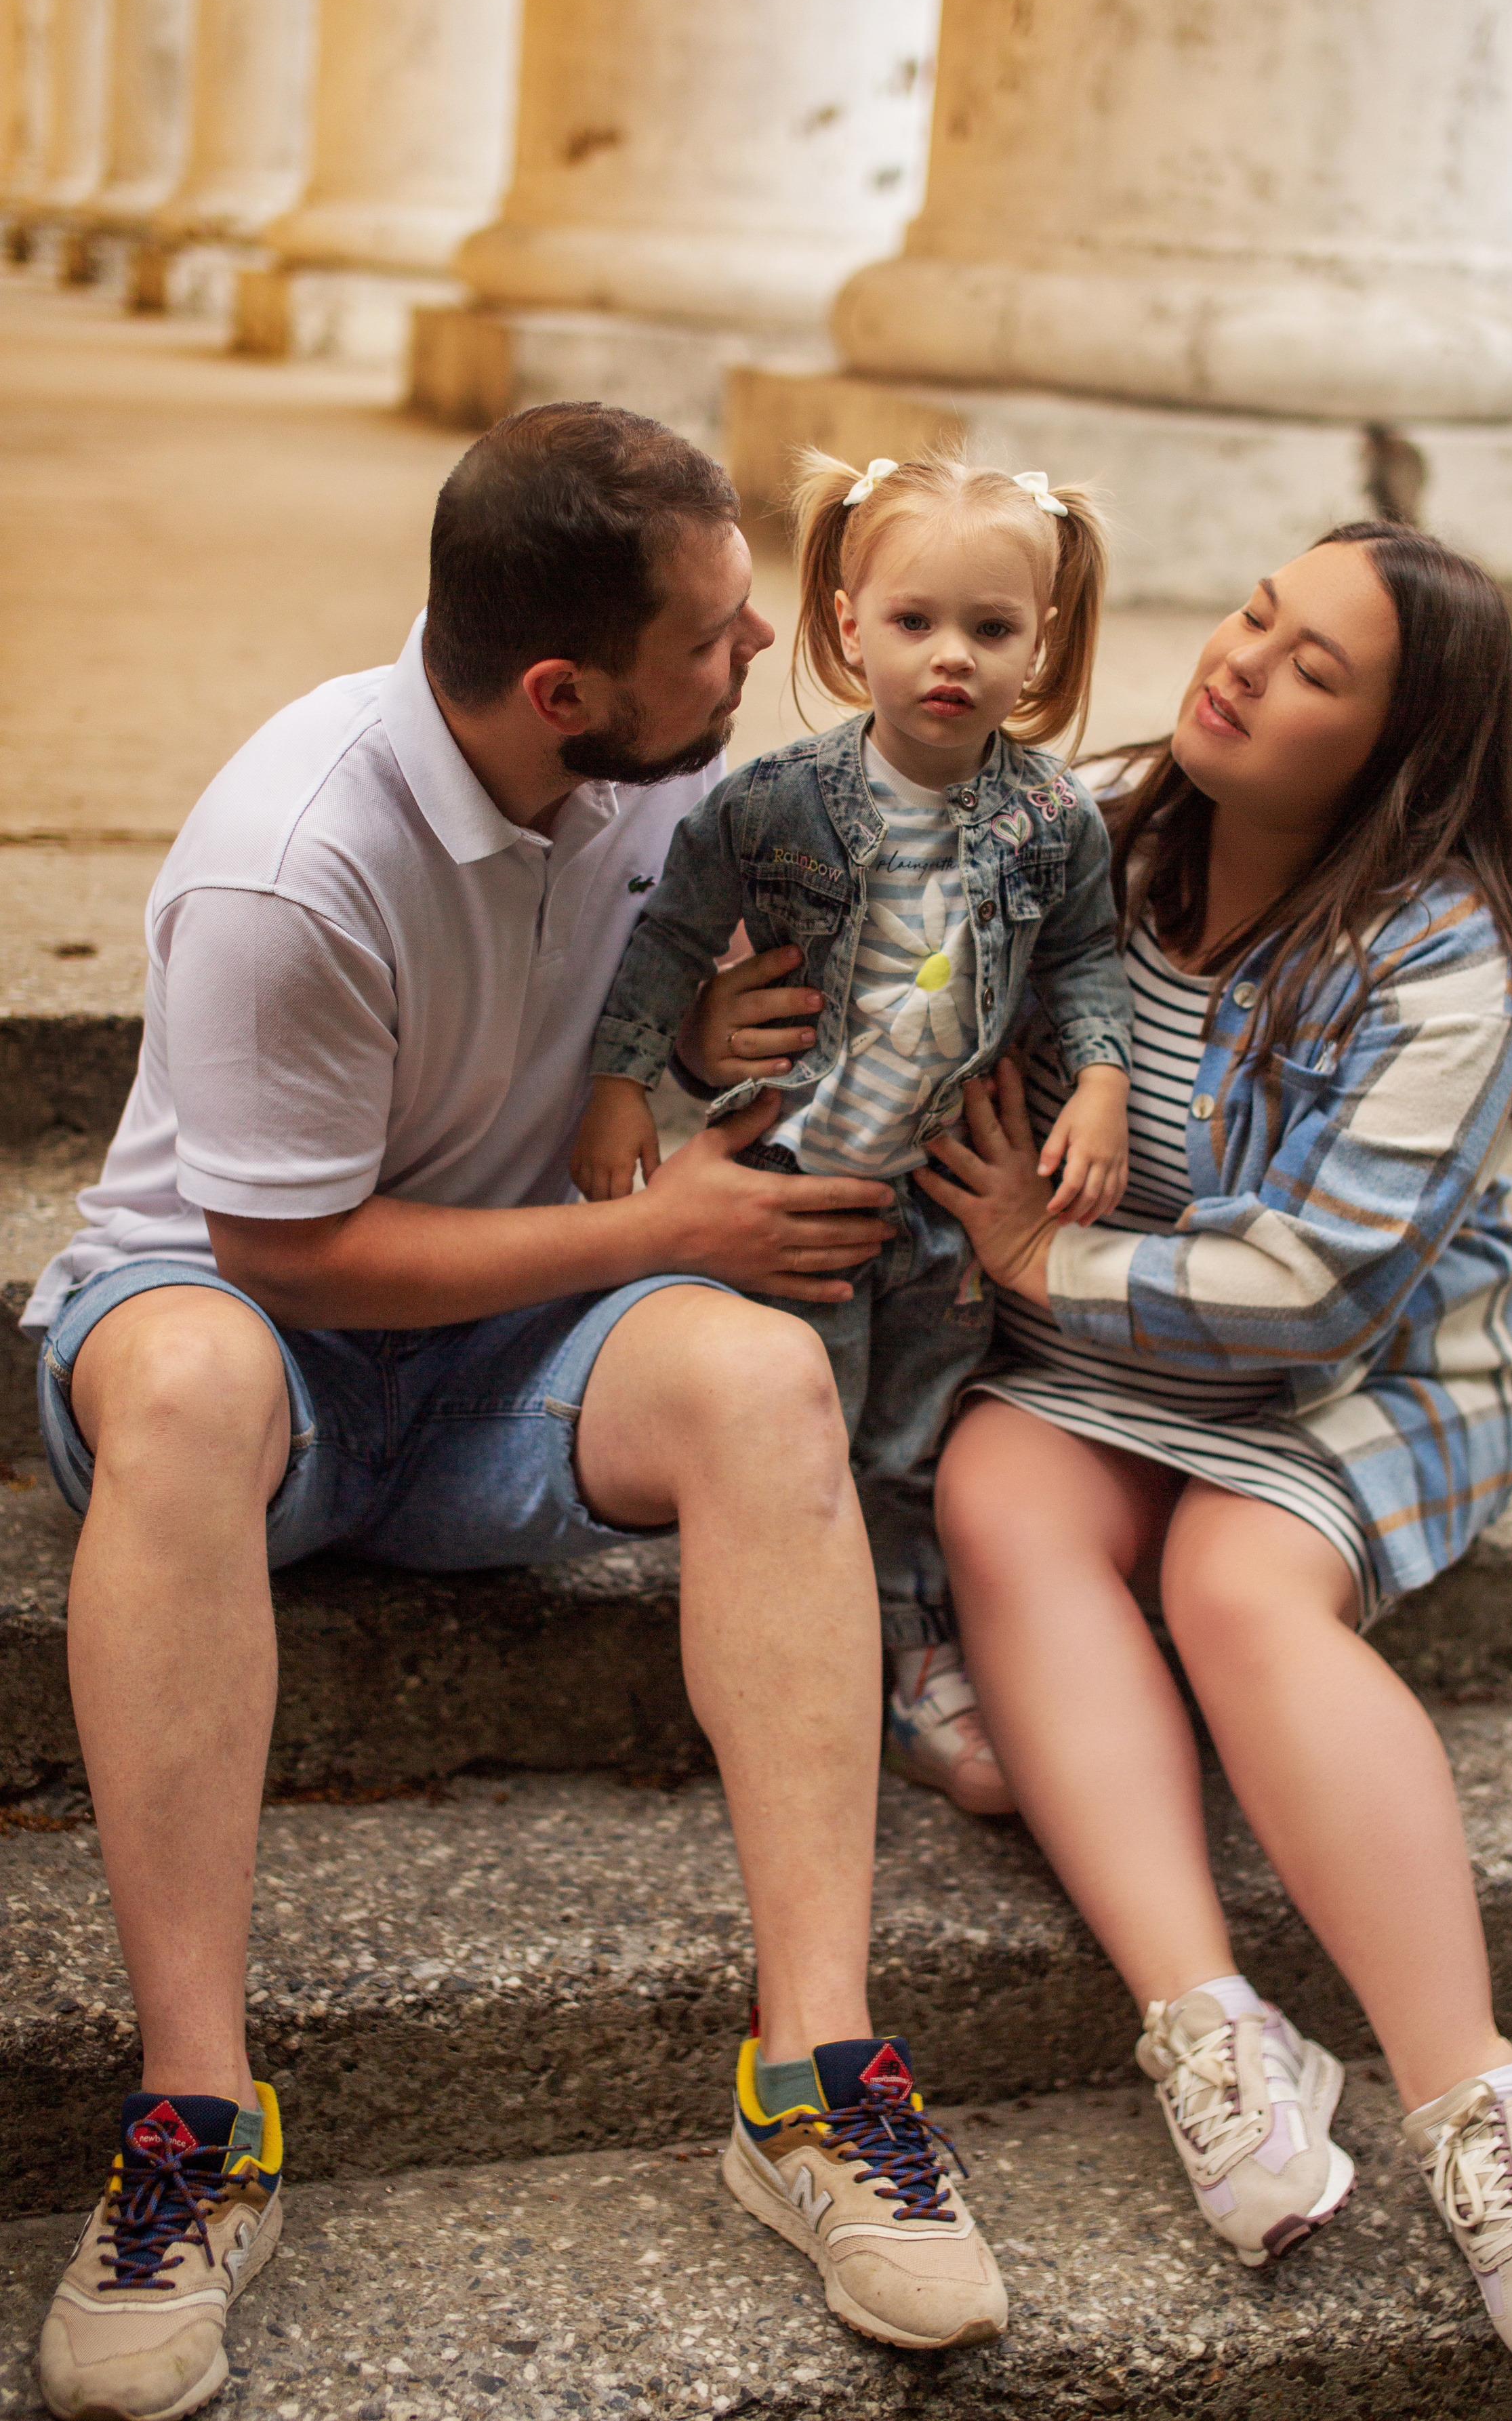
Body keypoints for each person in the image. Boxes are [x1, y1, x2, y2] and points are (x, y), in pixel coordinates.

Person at [24, 404, 1008, 2421]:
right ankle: (194, 2127)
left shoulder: (675, 780)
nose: (758, 660)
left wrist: (722, 1071)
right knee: (201, 1380)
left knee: (750, 1378)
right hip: (236, 1333)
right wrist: (680, 1226)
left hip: (493, 1368)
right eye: (718, 638)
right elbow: (287, 1256)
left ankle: (816, 2084)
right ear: (565, 693)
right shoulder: (293, 864)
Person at [918, 521, 1512, 2375]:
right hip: (1105, 1337)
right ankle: (1211, 2024)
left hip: (1362, 1363)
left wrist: (1033, 1256)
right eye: (1258, 614)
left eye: (1315, 668)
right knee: (1000, 1489)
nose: (1241, 662)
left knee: (1235, 1580)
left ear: (1398, 754)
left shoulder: (1439, 957)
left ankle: (1478, 2093)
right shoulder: (1084, 832)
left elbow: (1314, 1287)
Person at [572, 451, 1134, 1819]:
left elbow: (1086, 960)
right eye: (914, 622)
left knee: (908, 1440)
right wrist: (623, 1078)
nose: (950, 659)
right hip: (794, 1191)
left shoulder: (1050, 822)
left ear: (1039, 644)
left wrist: (1105, 1077)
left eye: (990, 631)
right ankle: (794, 1671)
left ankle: (913, 1663)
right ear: (845, 626)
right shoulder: (770, 805)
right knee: (802, 1433)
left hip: (941, 1209)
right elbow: (668, 943)